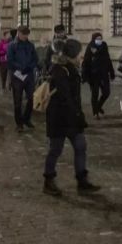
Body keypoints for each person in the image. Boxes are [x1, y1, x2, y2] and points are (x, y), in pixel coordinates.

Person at [42, 38, 100, 196]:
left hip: (72, 117)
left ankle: (82, 180)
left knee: (81, 146)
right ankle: (48, 180)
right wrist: (77, 114)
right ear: (73, 54)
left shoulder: (71, 68)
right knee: (55, 149)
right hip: (59, 118)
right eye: (79, 53)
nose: (81, 56)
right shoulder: (60, 70)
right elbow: (65, 97)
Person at [7, 25, 39, 132]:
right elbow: (10, 61)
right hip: (17, 76)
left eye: (27, 34)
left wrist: (29, 67)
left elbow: (35, 59)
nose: (25, 36)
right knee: (17, 101)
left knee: (31, 98)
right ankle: (19, 123)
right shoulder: (12, 45)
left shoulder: (30, 45)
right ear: (19, 33)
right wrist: (20, 68)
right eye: (23, 34)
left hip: (29, 76)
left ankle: (26, 118)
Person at [82, 32, 115, 118]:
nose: (99, 40)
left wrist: (111, 72)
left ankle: (98, 106)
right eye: (97, 39)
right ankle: (95, 112)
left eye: (100, 38)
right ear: (94, 39)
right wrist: (84, 76)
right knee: (95, 94)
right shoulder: (90, 47)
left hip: (103, 73)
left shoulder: (104, 46)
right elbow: (86, 62)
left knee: (106, 92)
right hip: (93, 75)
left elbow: (108, 59)